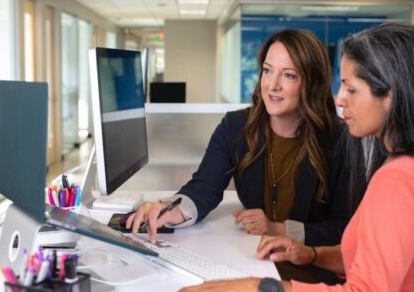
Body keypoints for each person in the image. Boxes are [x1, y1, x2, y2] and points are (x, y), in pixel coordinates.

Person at [180, 22, 414, 292]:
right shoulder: (394, 164)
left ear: (391, 95)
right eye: (267, 71)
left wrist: (260, 287)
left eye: (351, 89)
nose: (339, 99)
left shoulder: (395, 177)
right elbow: (367, 257)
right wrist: (311, 253)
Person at [127, 29, 350, 247]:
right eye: (268, 70)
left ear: (312, 84)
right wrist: (167, 208)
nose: (272, 85)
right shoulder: (236, 126)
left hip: (313, 265)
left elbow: (345, 227)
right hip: (258, 256)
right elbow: (204, 188)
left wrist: (279, 229)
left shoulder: (340, 140)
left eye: (289, 75)